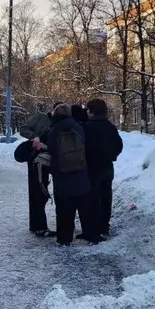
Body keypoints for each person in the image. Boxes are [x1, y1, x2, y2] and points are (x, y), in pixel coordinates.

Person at [46, 103, 99, 246]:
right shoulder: (79, 128)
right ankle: (91, 235)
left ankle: (64, 239)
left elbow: (52, 150)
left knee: (64, 210)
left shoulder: (54, 130)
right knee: (86, 208)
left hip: (62, 177)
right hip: (81, 175)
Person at [83, 99, 124, 240]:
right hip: (107, 168)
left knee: (93, 198)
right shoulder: (110, 127)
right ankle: (104, 226)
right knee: (106, 197)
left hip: (92, 168)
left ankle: (93, 228)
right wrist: (111, 156)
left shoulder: (86, 127)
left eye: (88, 109)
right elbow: (119, 145)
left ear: (92, 111)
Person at [20, 104, 57, 237]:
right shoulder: (40, 118)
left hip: (47, 161)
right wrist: (35, 137)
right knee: (37, 192)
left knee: (41, 192)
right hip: (35, 160)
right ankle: (38, 226)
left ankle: (37, 225)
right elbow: (23, 129)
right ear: (51, 110)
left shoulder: (58, 123)